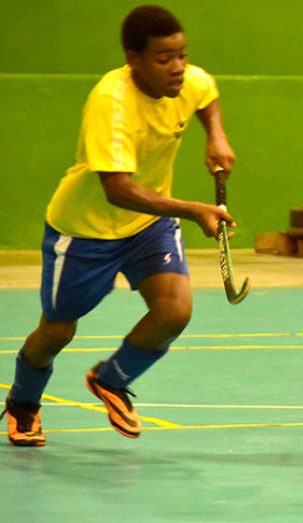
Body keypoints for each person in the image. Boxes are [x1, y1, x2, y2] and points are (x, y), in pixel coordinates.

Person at [0, 5, 237, 446]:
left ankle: (111, 379)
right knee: (56, 331)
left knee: (174, 311)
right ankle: (23, 402)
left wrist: (216, 136)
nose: (178, 67)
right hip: (85, 230)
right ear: (134, 59)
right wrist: (193, 209)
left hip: (148, 224)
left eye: (182, 55)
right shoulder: (111, 102)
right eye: (164, 59)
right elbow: (117, 189)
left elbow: (206, 94)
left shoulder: (188, 81)